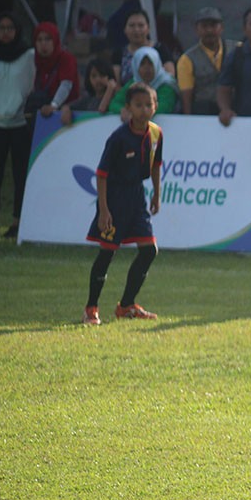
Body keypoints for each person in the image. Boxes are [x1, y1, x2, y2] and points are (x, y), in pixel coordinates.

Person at [81, 82, 163, 326]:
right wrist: (104, 210)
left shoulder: (156, 133)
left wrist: (157, 194)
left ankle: (126, 305)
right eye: (138, 105)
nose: (144, 110)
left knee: (149, 250)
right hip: (115, 198)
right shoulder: (119, 138)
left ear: (155, 106)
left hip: (137, 196)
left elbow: (156, 165)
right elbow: (102, 174)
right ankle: (91, 308)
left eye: (148, 104)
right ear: (128, 108)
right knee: (107, 252)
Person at [0, 12, 34, 239]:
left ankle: (17, 221)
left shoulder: (28, 54)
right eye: (1, 27)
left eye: (10, 27)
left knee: (21, 174)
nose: (5, 32)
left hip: (21, 122)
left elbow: (33, 83)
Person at [176, 7, 236, 116]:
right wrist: (188, 121)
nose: (209, 30)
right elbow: (186, 97)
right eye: (204, 26)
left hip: (234, 112)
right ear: (196, 29)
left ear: (222, 27)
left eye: (213, 25)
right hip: (203, 114)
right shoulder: (186, 59)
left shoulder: (237, 50)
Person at [109, 46, 179, 115]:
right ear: (136, 66)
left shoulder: (166, 84)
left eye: (150, 63)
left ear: (157, 65)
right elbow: (114, 104)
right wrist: (122, 111)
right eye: (142, 64)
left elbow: (163, 108)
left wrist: (134, 113)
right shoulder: (133, 83)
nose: (147, 68)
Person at [31, 22, 80, 119]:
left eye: (48, 39)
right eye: (39, 40)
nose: (43, 43)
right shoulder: (35, 59)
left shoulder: (66, 58)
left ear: (55, 40)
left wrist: (53, 105)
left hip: (66, 114)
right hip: (42, 114)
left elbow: (66, 85)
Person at [112, 10, 175, 85]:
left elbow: (170, 78)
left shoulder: (160, 50)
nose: (136, 30)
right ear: (125, 29)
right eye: (132, 25)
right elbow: (116, 83)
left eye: (141, 25)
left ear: (148, 29)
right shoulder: (119, 53)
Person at [62, 58, 118, 124]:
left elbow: (102, 111)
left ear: (109, 76)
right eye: (94, 76)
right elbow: (68, 106)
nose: (98, 80)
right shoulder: (88, 99)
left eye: (102, 75)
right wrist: (66, 110)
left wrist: (110, 90)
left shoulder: (116, 98)